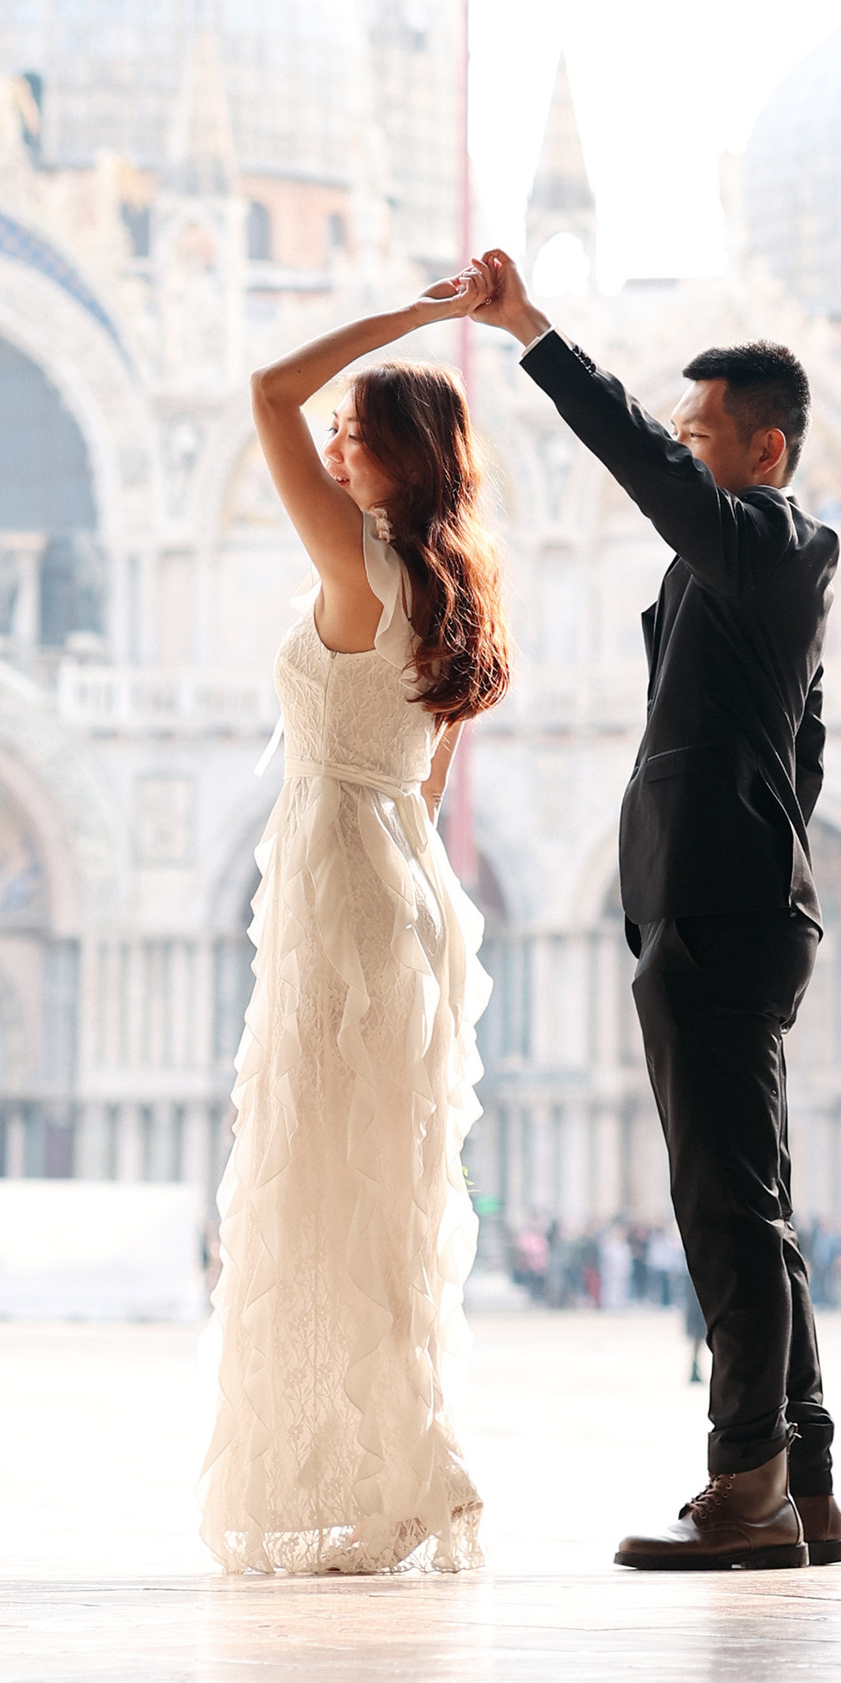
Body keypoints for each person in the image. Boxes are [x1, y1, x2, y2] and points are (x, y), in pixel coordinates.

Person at [475, 245, 841, 1573]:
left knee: (724, 1212)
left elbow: (640, 461)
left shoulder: (761, 541)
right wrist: (766, 849)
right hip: (738, 896)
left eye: (701, 437)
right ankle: (807, 1481)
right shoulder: (768, 569)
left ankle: (746, 1489)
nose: (682, 454)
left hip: (714, 906)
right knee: (759, 1206)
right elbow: (806, 747)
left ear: (763, 449)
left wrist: (535, 335)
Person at [199, 273, 506, 1576]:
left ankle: (380, 1484)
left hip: (338, 882)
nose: (331, 446)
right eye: (335, 433)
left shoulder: (363, 564)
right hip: (401, 887)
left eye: (357, 432)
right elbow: (424, 788)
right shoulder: (450, 591)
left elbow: (266, 390)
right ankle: (398, 1479)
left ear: (406, 456)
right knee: (380, 1191)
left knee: (320, 1187)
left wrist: (413, 319)